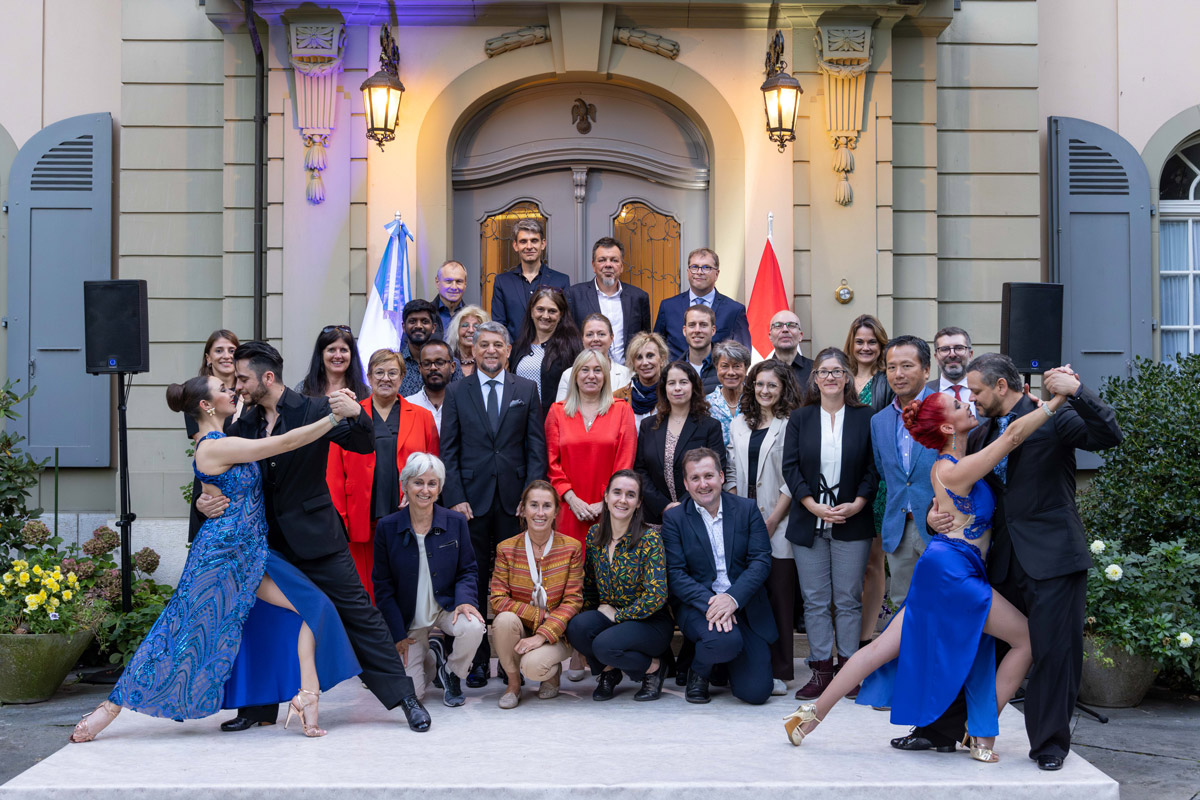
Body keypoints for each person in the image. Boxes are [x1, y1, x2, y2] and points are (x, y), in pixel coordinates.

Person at [783, 379, 1077, 764]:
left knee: (881, 649)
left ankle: (808, 717)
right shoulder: (954, 468)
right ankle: (980, 730)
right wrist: (1057, 400)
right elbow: (1015, 435)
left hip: (944, 565)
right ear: (947, 428)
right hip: (953, 572)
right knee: (1026, 639)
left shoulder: (951, 465)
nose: (966, 402)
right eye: (956, 405)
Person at [70, 375, 362, 742]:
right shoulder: (212, 447)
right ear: (207, 406)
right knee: (177, 635)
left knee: (314, 608)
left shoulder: (224, 441)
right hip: (220, 558)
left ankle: (307, 697)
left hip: (251, 554)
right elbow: (287, 442)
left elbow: (217, 492)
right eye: (223, 390)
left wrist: (204, 502)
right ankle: (106, 712)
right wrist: (336, 418)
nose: (233, 391)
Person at [197, 341, 432, 733]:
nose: (236, 385)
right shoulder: (242, 425)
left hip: (317, 539)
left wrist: (358, 415)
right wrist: (206, 503)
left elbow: (361, 443)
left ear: (267, 377)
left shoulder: (313, 408)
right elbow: (217, 477)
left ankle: (404, 699)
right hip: (266, 544)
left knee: (360, 615)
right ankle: (257, 709)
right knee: (262, 620)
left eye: (242, 378)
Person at [906, 355, 1122, 770]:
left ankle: (1049, 746)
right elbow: (963, 497)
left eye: (977, 391)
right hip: (1002, 560)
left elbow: (1109, 433)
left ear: (1001, 386)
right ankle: (942, 731)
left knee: (1055, 653)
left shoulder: (1053, 416)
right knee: (975, 646)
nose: (971, 398)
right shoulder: (981, 430)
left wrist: (1076, 393)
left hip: (1054, 555)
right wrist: (936, 521)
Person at [440, 321, 548, 688]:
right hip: (470, 503)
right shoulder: (457, 391)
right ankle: (478, 662)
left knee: (512, 583)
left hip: (513, 502)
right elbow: (448, 450)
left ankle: (509, 659)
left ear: (507, 350)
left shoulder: (526, 389)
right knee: (476, 578)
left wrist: (529, 498)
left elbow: (536, 448)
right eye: (483, 344)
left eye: (497, 345)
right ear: (472, 349)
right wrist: (455, 497)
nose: (490, 350)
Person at [782, 347, 878, 701]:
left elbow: (873, 467)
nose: (831, 378)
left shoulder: (866, 416)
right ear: (815, 378)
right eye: (824, 372)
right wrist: (811, 505)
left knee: (849, 598)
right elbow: (789, 467)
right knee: (816, 600)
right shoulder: (801, 417)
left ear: (848, 378)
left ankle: (849, 673)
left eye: (837, 371)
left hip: (853, 518)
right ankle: (821, 672)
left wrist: (857, 504)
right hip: (809, 519)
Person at [662, 448, 776, 705]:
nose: (703, 484)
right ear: (686, 483)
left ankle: (721, 664)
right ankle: (699, 672)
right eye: (695, 478)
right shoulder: (675, 518)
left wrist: (732, 599)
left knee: (756, 693)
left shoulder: (746, 509)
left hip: (743, 603)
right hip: (699, 605)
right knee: (723, 639)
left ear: (722, 476)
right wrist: (714, 603)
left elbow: (760, 561)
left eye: (709, 476)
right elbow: (676, 574)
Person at [373, 453, 485, 708]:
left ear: (440, 488)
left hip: (445, 609)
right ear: (405, 485)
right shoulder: (387, 527)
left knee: (474, 626)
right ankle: (430, 657)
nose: (425, 490)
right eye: (418, 482)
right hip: (409, 619)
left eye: (432, 483)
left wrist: (466, 601)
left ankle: (453, 672)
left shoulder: (455, 522)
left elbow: (468, 569)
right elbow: (382, 585)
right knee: (413, 695)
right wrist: (396, 633)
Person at [327, 348, 439, 600]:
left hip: (405, 512)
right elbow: (334, 473)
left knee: (404, 584)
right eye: (379, 372)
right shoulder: (350, 414)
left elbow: (434, 468)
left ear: (402, 377)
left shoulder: (422, 417)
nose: (386, 378)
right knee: (364, 587)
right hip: (360, 514)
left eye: (392, 373)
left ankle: (401, 636)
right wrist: (339, 518)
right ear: (368, 376)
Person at [726, 359, 802, 696]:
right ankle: (752, 665)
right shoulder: (739, 423)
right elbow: (729, 471)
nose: (765, 391)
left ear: (783, 387)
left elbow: (792, 476)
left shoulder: (791, 423)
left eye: (772, 385)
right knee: (749, 597)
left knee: (780, 596)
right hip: (743, 520)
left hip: (779, 521)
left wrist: (771, 519)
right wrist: (737, 512)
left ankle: (783, 669)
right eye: (759, 384)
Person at [566, 470, 671, 702]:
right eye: (617, 492)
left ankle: (653, 668)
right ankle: (608, 672)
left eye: (630, 495)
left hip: (649, 622)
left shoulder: (650, 539)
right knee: (577, 627)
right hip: (611, 616)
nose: (622, 500)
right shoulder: (595, 535)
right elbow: (591, 585)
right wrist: (589, 616)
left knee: (604, 645)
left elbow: (656, 595)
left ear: (638, 502)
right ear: (606, 496)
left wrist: (618, 616)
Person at [489, 481, 585, 708]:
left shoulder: (571, 548)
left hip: (558, 631)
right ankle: (513, 684)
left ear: (556, 512)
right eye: (534, 505)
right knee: (503, 620)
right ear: (523, 510)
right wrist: (536, 614)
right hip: (519, 627)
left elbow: (573, 601)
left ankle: (551, 673)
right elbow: (497, 599)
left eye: (547, 506)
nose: (540, 513)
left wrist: (542, 634)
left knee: (534, 666)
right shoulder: (506, 548)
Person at [546, 349, 637, 545]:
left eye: (597, 370)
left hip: (610, 509)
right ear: (575, 375)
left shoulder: (622, 410)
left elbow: (625, 463)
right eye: (584, 370)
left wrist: (605, 502)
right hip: (568, 509)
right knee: (570, 570)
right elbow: (552, 463)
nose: (591, 376)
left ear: (605, 376)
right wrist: (571, 499)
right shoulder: (557, 412)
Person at [873, 336, 936, 614]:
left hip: (939, 527)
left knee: (943, 604)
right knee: (902, 607)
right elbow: (883, 471)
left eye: (907, 366)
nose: (898, 374)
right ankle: (909, 660)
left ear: (926, 370)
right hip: (899, 528)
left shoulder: (947, 411)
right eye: (891, 367)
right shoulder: (879, 421)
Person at [843, 315, 893, 649]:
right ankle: (841, 641)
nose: (865, 347)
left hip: (879, 479)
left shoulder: (888, 381)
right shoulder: (839, 377)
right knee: (845, 566)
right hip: (842, 478)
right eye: (860, 341)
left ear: (881, 345)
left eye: (872, 342)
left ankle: (864, 641)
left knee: (873, 564)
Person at [634, 362, 726, 526]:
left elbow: (717, 470)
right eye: (671, 383)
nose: (677, 388)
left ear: (693, 387)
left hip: (698, 515)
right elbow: (640, 470)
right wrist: (664, 506)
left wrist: (681, 507)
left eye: (683, 382)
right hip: (655, 518)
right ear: (664, 388)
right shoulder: (649, 425)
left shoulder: (710, 426)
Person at [186, 329, 243, 543]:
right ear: (208, 357)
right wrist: (203, 499)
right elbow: (201, 451)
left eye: (232, 350)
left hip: (249, 485)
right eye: (219, 350)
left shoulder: (250, 392)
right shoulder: (196, 396)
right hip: (214, 486)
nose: (226, 356)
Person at [563, 237, 652, 366]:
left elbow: (645, 340)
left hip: (628, 375)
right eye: (602, 260)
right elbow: (567, 340)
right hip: (589, 374)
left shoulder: (638, 297)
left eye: (614, 260)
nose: (608, 265)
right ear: (594, 266)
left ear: (621, 266)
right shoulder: (574, 295)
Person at [653, 247, 750, 361]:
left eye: (706, 267)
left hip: (716, 377)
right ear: (688, 272)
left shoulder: (734, 310)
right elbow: (656, 348)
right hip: (676, 375)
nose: (699, 272)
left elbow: (743, 355)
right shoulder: (668, 307)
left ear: (717, 274)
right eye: (694, 267)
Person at [490, 219, 570, 342]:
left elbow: (565, 323)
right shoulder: (502, 282)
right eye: (523, 241)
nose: (529, 246)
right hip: (514, 356)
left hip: (552, 355)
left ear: (543, 244)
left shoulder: (561, 281)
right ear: (515, 246)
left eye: (534, 241)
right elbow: (500, 326)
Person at [510, 286, 582, 411]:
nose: (545, 315)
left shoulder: (571, 348)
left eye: (552, 311)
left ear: (561, 314)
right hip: (520, 421)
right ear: (532, 312)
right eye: (540, 309)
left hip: (554, 420)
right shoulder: (518, 347)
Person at [555, 313, 632, 401]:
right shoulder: (568, 375)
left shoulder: (627, 375)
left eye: (601, 334)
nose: (595, 339)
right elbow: (561, 411)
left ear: (611, 338)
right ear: (582, 339)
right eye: (589, 334)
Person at [297, 324, 370, 401]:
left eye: (343, 350)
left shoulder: (366, 393)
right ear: (321, 354)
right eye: (331, 350)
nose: (338, 356)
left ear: (352, 354)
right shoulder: (303, 390)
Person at [705, 339, 751, 448]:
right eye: (725, 366)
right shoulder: (705, 405)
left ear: (746, 368)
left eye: (736, 366)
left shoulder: (756, 400)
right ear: (716, 367)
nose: (730, 372)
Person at [405, 339, 456, 434]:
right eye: (427, 363)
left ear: (452, 367)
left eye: (440, 362)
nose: (433, 368)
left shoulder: (464, 404)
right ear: (420, 369)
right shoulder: (407, 405)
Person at [927, 326, 976, 415]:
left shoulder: (987, 392)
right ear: (936, 357)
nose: (952, 355)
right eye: (945, 349)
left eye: (959, 348)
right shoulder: (924, 394)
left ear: (970, 354)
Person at [626, 331, 669, 429]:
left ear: (662, 359)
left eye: (650, 356)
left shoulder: (671, 394)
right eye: (639, 357)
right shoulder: (619, 397)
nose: (645, 362)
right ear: (633, 363)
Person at [765, 310, 814, 394]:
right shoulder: (761, 371)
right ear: (770, 336)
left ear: (800, 336)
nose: (785, 330)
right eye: (778, 325)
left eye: (791, 325)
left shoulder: (815, 370)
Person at [399, 299, 439, 397]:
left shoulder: (448, 363)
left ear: (433, 328)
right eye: (412, 321)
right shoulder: (395, 364)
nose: (418, 326)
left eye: (424, 321)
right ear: (404, 327)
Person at [681, 304, 720, 393]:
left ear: (713, 330)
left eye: (703, 325)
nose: (697, 330)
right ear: (684, 330)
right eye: (692, 325)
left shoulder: (726, 368)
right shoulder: (674, 370)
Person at [445, 304, 488, 380]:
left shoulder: (490, 362)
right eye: (465, 325)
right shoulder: (446, 360)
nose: (471, 330)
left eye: (476, 326)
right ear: (456, 330)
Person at [431, 260, 468, 336]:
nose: (454, 287)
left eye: (459, 281)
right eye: (448, 281)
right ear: (437, 282)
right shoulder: (425, 315)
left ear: (465, 284)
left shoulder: (472, 317)